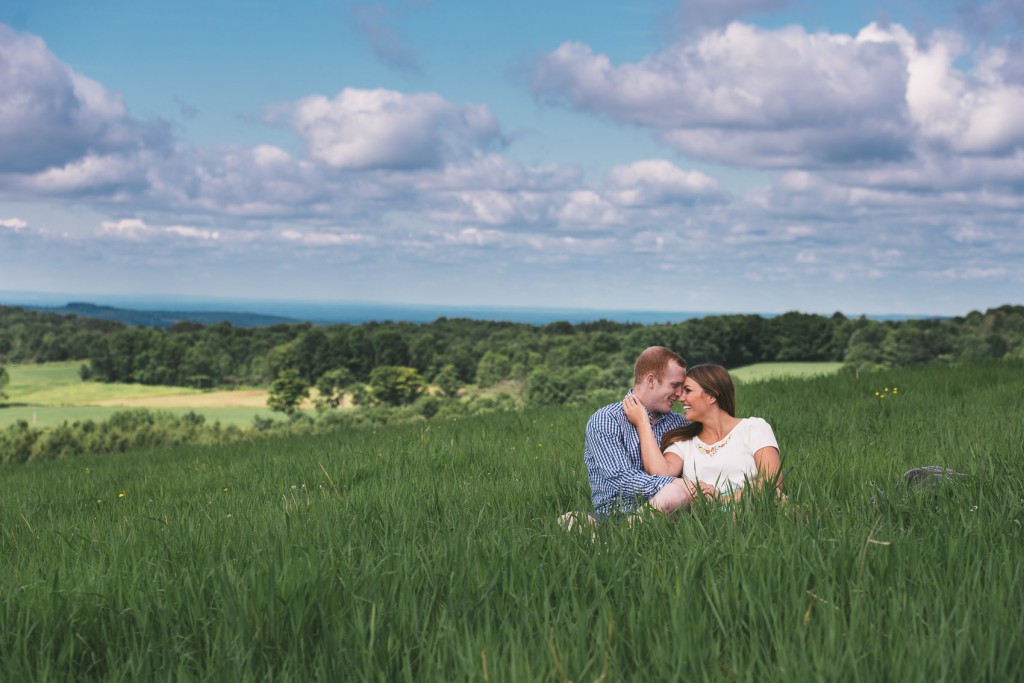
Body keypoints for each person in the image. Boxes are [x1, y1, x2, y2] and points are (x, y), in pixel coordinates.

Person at [569, 346, 715, 526]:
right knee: (569, 521)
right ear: (651, 381)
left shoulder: (679, 423)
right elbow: (621, 479)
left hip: (672, 513)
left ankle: (617, 536)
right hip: (614, 515)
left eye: (683, 387)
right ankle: (622, 532)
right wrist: (677, 484)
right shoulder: (606, 419)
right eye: (675, 385)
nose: (679, 395)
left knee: (675, 497)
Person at [623, 363, 782, 504]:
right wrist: (643, 423)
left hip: (750, 506)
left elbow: (772, 481)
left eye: (688, 390)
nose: (681, 397)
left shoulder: (753, 427)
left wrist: (725, 500)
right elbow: (660, 473)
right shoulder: (684, 442)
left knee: (776, 497)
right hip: (708, 517)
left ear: (711, 396)